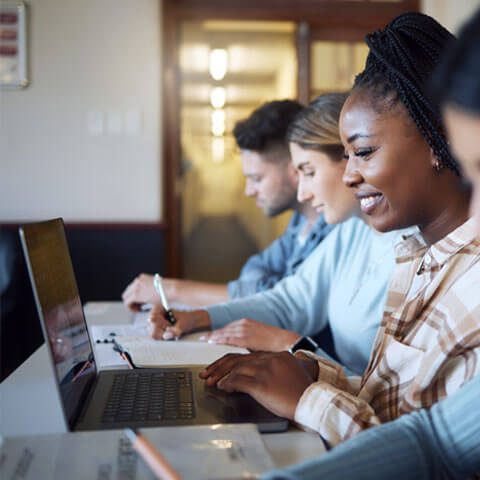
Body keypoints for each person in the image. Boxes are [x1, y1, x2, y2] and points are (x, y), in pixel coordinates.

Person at [194, 11, 480, 450]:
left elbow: (427, 457)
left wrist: (309, 398)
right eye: (346, 156)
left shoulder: (468, 282)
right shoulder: (414, 255)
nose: (349, 176)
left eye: (363, 152)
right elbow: (389, 403)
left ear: (438, 140)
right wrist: (311, 372)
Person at [148, 93, 411, 377]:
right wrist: (199, 318)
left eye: (308, 172)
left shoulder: (417, 249)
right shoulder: (352, 231)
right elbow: (290, 300)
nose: (303, 193)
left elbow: (392, 399)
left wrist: (292, 344)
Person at [122, 100, 333, 309]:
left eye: (257, 179)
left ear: (295, 169)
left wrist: (171, 289)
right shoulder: (300, 221)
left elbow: (282, 303)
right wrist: (262, 290)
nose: (249, 191)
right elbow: (258, 267)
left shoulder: (336, 226)